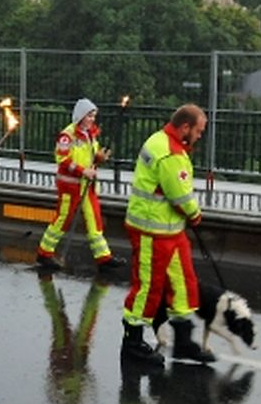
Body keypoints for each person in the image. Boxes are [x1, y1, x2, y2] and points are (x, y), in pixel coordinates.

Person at [121, 104, 214, 366]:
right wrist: (195, 215)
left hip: (169, 230)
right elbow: (180, 196)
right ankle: (132, 343)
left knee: (183, 283)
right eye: (198, 131)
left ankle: (183, 341)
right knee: (148, 287)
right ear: (185, 127)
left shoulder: (161, 140)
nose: (199, 136)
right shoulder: (170, 153)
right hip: (152, 230)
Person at [36, 98, 124, 272]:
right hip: (70, 186)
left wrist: (99, 157)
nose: (92, 119)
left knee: (94, 219)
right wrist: (82, 171)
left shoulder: (90, 134)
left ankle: (103, 257)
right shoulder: (67, 135)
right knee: (63, 219)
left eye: (94, 116)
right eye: (90, 116)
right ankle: (44, 253)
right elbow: (62, 160)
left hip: (87, 185)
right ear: (81, 116)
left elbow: (91, 157)